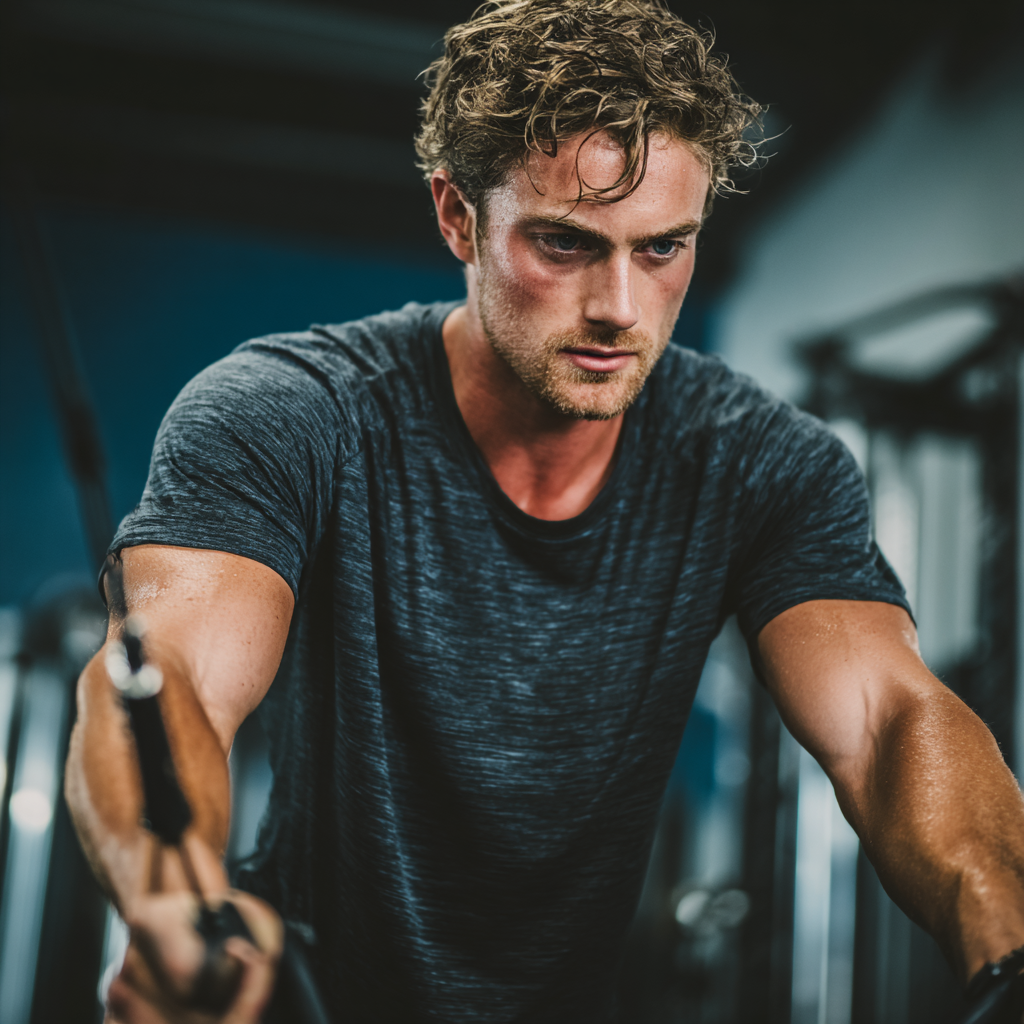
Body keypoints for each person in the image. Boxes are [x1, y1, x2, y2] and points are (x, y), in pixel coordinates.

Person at [65, 1, 1024, 1022]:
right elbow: (171, 675)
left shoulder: (760, 464)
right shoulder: (290, 413)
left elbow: (885, 722)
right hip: (295, 992)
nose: (619, 304)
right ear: (456, 217)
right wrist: (173, 901)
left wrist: (1004, 944)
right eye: (567, 244)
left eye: (662, 250)